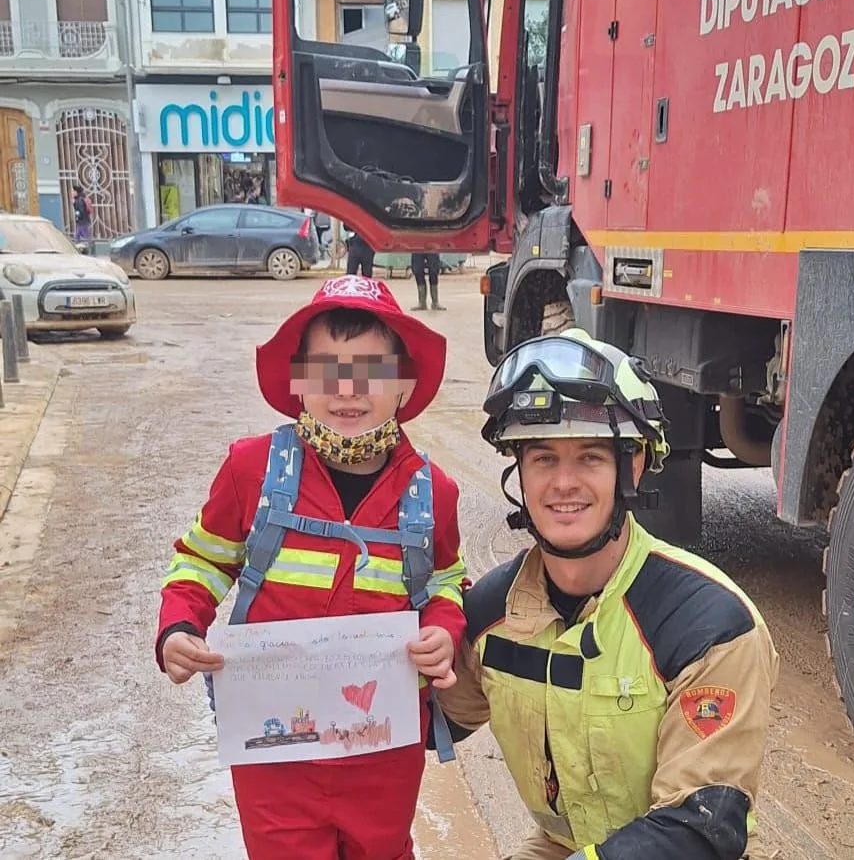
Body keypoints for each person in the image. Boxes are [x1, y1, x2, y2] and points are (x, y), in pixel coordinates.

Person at [155, 275, 468, 860]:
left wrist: (443, 632)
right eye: (327, 368)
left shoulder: (433, 491)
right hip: (273, 751)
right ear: (299, 383)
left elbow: (447, 583)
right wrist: (178, 627)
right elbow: (201, 560)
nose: (347, 388)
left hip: (383, 751)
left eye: (372, 368)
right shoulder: (252, 470)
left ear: (404, 383)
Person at [436, 328, 780, 860]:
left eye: (591, 457)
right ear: (519, 473)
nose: (563, 483)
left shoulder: (707, 624)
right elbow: (415, 727)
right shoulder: (489, 613)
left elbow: (700, 829)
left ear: (634, 466)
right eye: (543, 458)